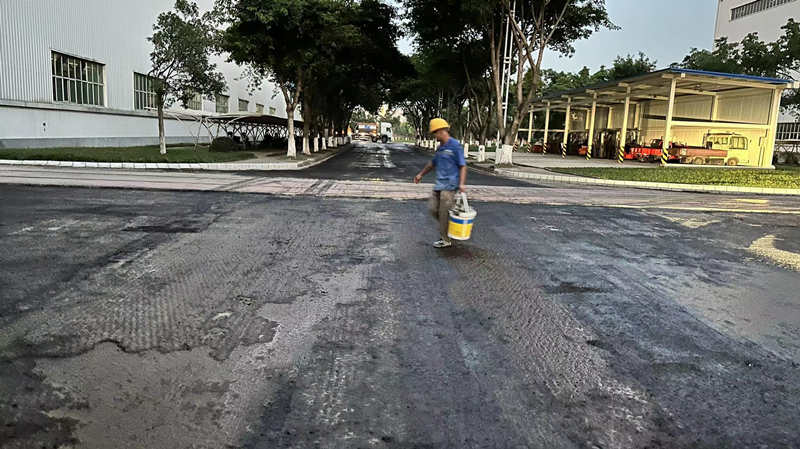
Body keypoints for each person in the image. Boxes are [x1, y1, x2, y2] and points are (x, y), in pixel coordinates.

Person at [413, 118, 467, 248]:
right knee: (433, 209)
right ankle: (450, 226)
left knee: (443, 212)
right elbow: (432, 163)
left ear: (441, 131)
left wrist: (461, 183)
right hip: (439, 184)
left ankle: (446, 239)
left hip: (450, 185)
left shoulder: (455, 145)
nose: (434, 136)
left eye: (435, 133)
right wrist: (421, 174)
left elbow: (463, 166)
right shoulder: (440, 148)